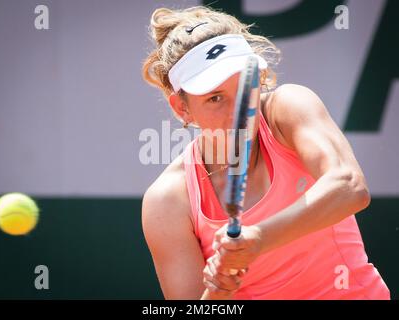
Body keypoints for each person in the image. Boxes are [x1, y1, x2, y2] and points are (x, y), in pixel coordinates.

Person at [141, 6, 390, 300]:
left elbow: (350, 187)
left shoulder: (288, 107)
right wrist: (219, 291)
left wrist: (258, 238)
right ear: (182, 108)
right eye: (215, 98)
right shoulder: (167, 201)